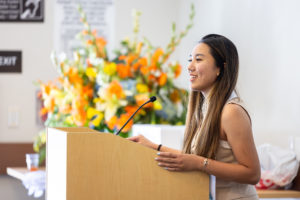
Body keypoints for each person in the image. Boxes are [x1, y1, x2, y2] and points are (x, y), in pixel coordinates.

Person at [128, 34, 261, 200]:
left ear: (220, 68)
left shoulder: (231, 112)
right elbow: (191, 158)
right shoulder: (203, 109)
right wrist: (153, 146)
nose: (190, 67)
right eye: (190, 60)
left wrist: (200, 164)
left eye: (198, 60)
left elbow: (252, 174)